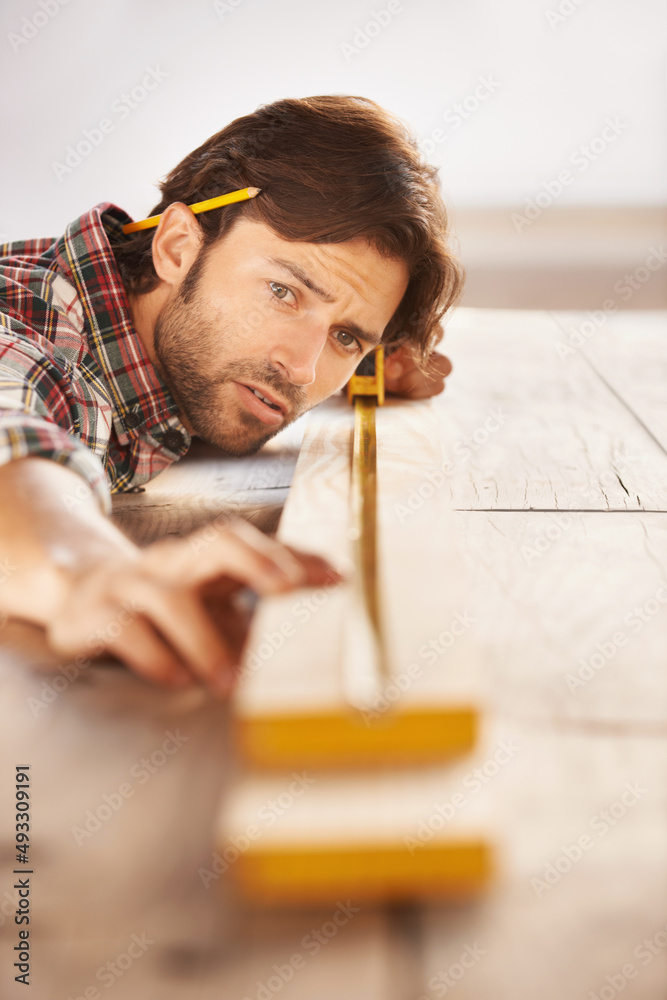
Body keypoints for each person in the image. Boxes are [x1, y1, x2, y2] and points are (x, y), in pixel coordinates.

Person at [0, 94, 463, 695]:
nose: (302, 369)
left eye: (345, 336)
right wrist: (84, 571)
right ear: (176, 248)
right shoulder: (35, 328)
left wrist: (366, 358)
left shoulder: (174, 354)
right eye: (283, 292)